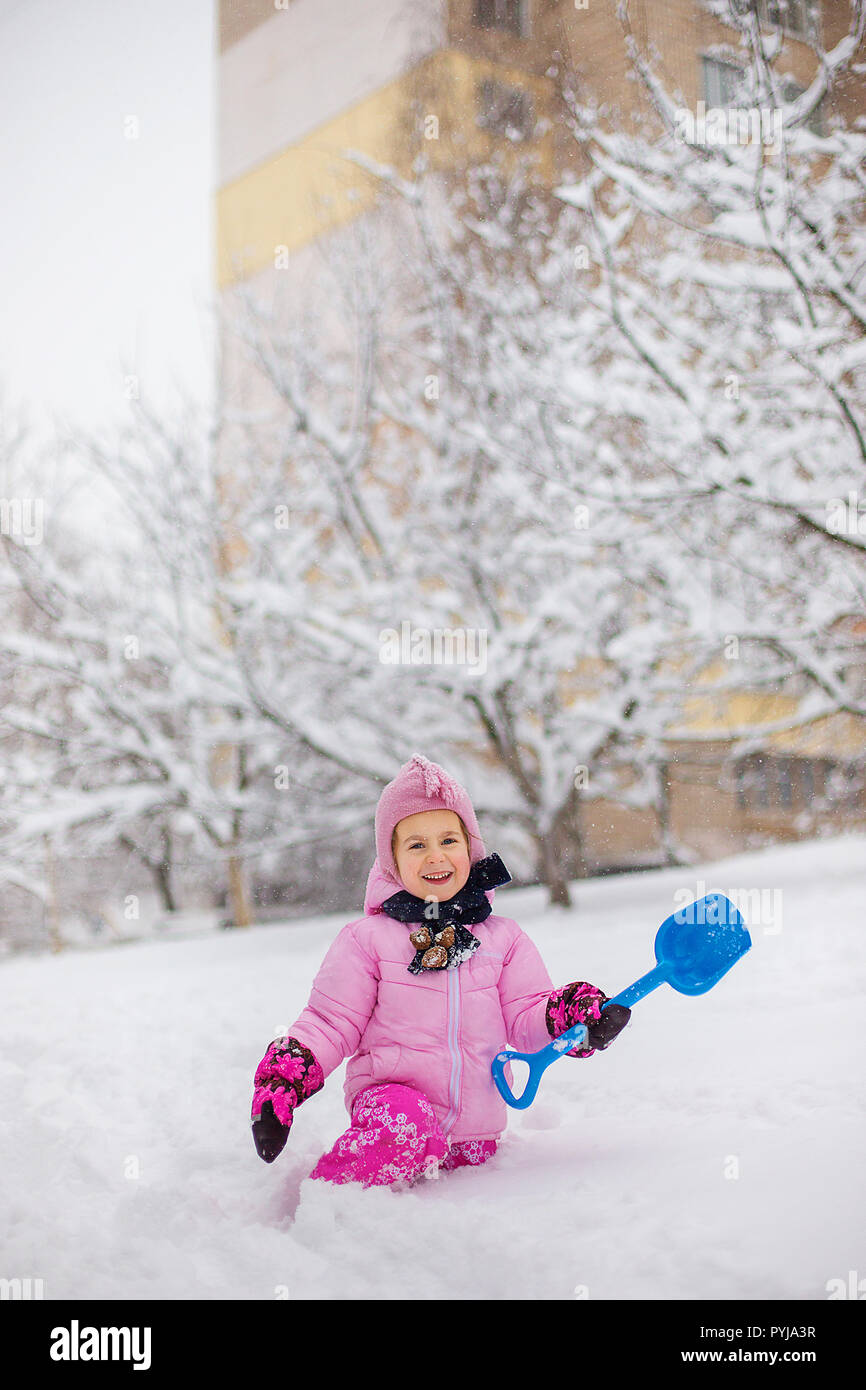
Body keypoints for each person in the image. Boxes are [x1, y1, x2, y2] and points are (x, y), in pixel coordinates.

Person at [250, 753, 631, 1188]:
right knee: (404, 1126)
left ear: (470, 848)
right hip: (392, 1109)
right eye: (416, 845)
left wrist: (572, 1019)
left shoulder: (504, 940)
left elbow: (527, 1016)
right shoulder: (368, 940)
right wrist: (282, 1082)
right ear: (391, 859)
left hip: (476, 1134)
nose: (436, 857)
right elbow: (330, 1022)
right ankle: (334, 1200)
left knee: (467, 1190)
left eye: (449, 840)